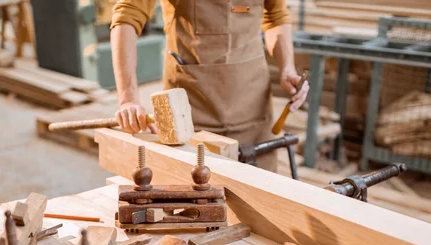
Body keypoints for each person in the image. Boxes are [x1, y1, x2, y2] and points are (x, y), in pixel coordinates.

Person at [110, 0, 309, 171]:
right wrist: (128, 99)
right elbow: (127, 15)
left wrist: (287, 68)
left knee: (260, 202)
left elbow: (275, 15)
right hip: (189, 109)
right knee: (191, 201)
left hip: (252, 105)